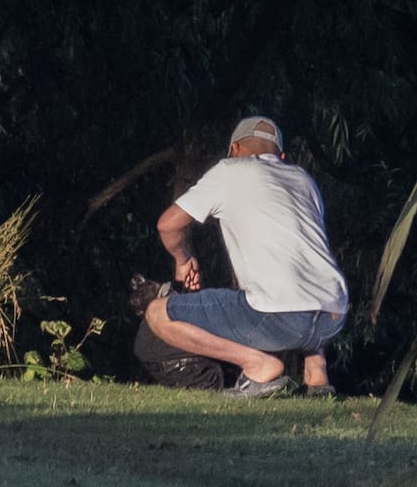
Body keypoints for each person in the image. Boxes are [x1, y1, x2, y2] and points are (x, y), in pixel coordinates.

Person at [145, 116, 348, 397]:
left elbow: (168, 224)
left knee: (158, 313)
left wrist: (183, 259)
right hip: (333, 318)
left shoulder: (230, 170)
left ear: (235, 150)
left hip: (280, 319)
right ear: (281, 156)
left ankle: (258, 366)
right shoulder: (303, 180)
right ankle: (317, 374)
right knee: (305, 271)